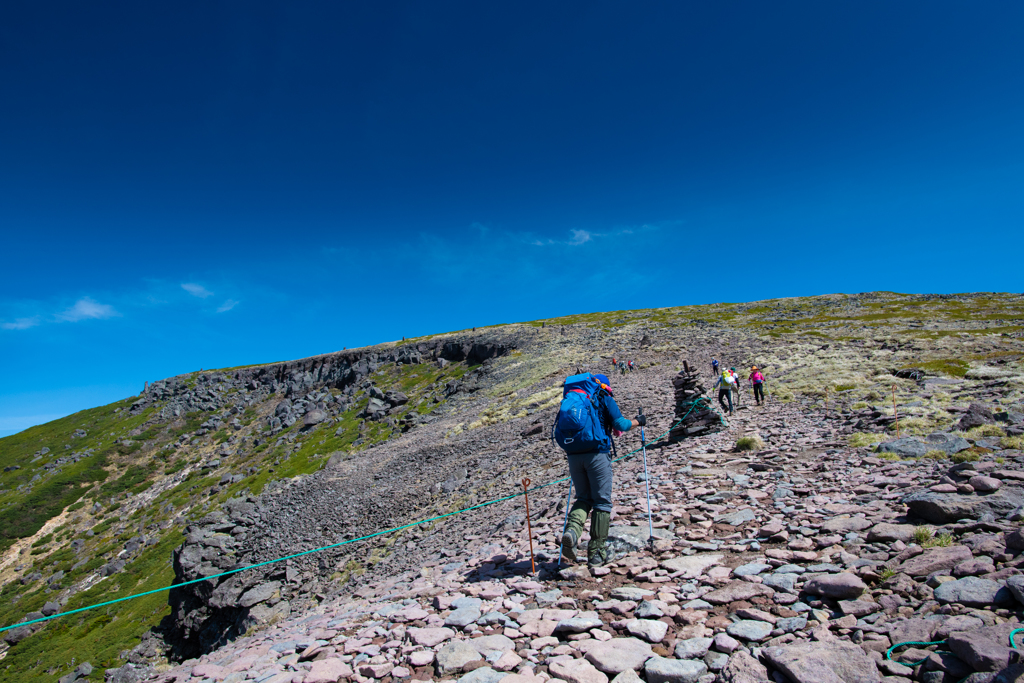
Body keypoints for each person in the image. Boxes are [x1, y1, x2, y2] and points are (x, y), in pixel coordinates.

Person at [559, 374, 644, 567]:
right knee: (602, 502)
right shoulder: (603, 396)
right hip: (597, 454)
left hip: (573, 455)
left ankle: (572, 532)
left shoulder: (574, 398)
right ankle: (597, 553)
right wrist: (639, 421)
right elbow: (621, 424)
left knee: (583, 498)